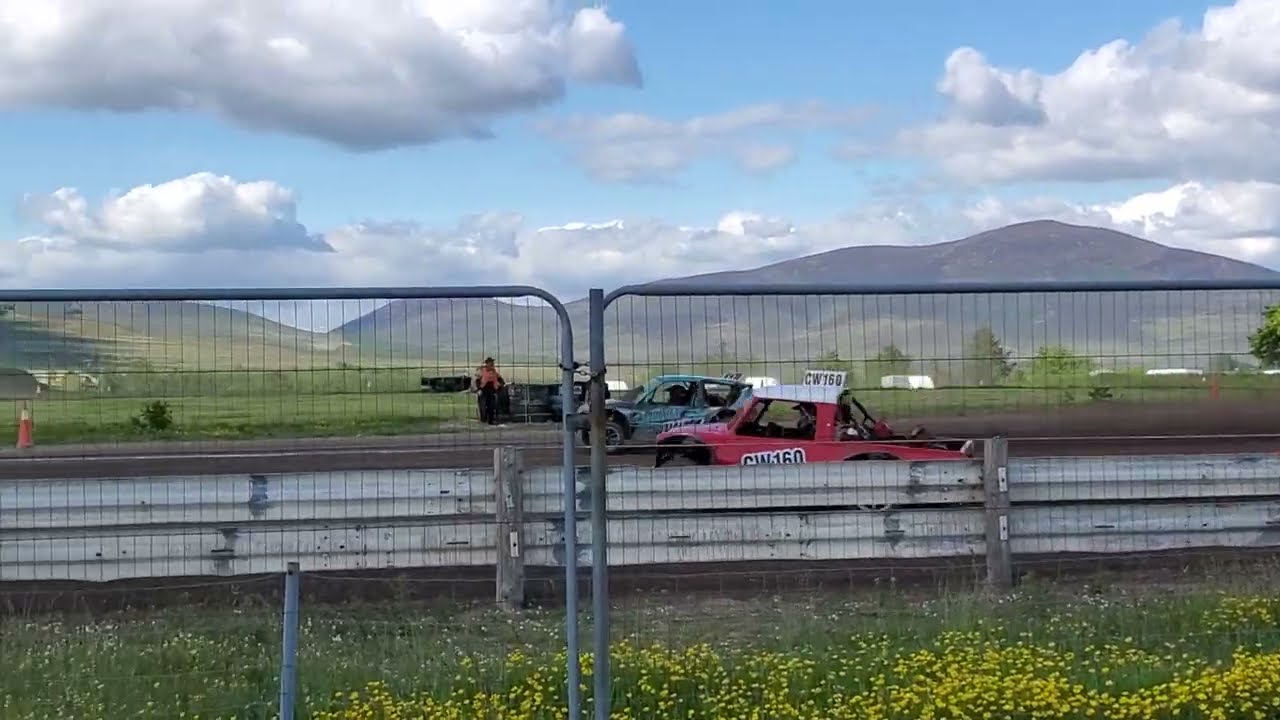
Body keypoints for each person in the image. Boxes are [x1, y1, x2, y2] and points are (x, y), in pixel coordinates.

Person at [474, 357, 506, 425]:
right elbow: (477, 380)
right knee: (483, 405)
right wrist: (479, 389)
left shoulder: (494, 372)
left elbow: (500, 379)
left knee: (491, 405)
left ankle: (490, 420)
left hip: (491, 390)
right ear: (487, 364)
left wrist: (500, 385)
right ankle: (483, 419)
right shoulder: (482, 371)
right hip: (483, 390)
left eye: (492, 363)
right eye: (491, 363)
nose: (492, 364)